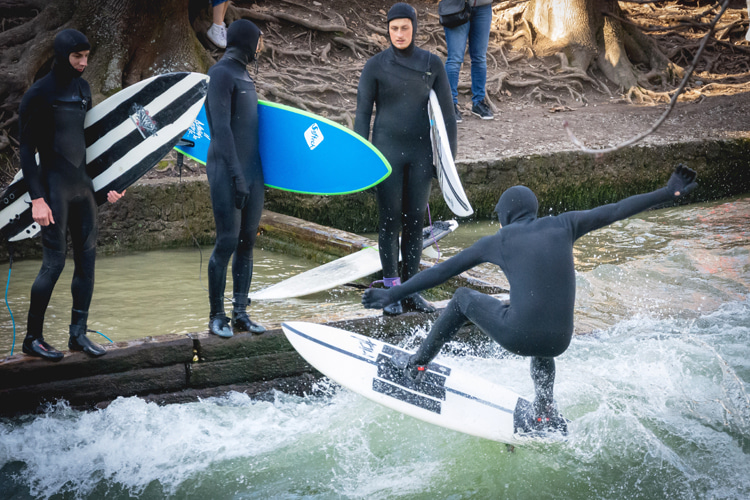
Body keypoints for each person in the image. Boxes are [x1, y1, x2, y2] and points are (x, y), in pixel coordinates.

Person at [363, 165, 698, 431]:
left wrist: (392, 293)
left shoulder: (498, 241)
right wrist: (669, 192)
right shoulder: (565, 224)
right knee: (529, 318)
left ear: (506, 214)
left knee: (464, 297)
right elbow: (616, 209)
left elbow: (440, 273)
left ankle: (416, 365)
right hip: (559, 341)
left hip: (520, 335)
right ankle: (545, 409)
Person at [19, 29, 125, 361]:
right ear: (63, 54)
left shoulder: (83, 89)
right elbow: (25, 150)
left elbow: (90, 143)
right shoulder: (38, 93)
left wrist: (108, 185)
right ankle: (32, 339)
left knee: (87, 263)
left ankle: (78, 335)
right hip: (53, 189)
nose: (83, 63)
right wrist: (37, 198)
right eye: (77, 57)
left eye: (87, 57)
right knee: (53, 265)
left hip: (83, 187)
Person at [355, 2, 457, 316]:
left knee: (414, 223)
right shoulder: (375, 66)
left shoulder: (432, 63)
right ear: (387, 29)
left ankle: (411, 291)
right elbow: (362, 116)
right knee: (389, 222)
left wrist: (448, 164)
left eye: (405, 28)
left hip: (421, 154)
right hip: (385, 154)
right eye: (394, 28)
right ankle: (391, 290)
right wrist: (362, 161)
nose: (399, 34)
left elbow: (448, 116)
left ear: (415, 28)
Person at [205, 19, 266, 338]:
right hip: (227, 170)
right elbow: (221, 129)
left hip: (252, 172)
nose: (261, 47)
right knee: (227, 240)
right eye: (259, 41)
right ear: (247, 42)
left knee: (247, 243)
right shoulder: (221, 73)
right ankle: (217, 316)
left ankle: (240, 312)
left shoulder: (245, 75)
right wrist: (237, 177)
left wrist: (254, 177)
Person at [443, 0, 494, 122]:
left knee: (480, 58)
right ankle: (450, 104)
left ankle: (479, 103)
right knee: (454, 59)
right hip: (455, 6)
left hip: (483, 7)